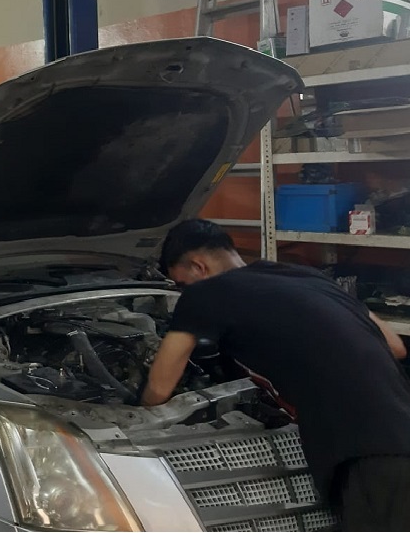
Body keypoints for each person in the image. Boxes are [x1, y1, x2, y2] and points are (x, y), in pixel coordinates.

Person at [142, 219, 410, 531]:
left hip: (367, 454)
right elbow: (395, 346)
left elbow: (159, 388)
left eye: (181, 284)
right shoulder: (308, 276)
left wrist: (136, 415)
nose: (183, 291)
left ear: (198, 266)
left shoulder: (203, 293)